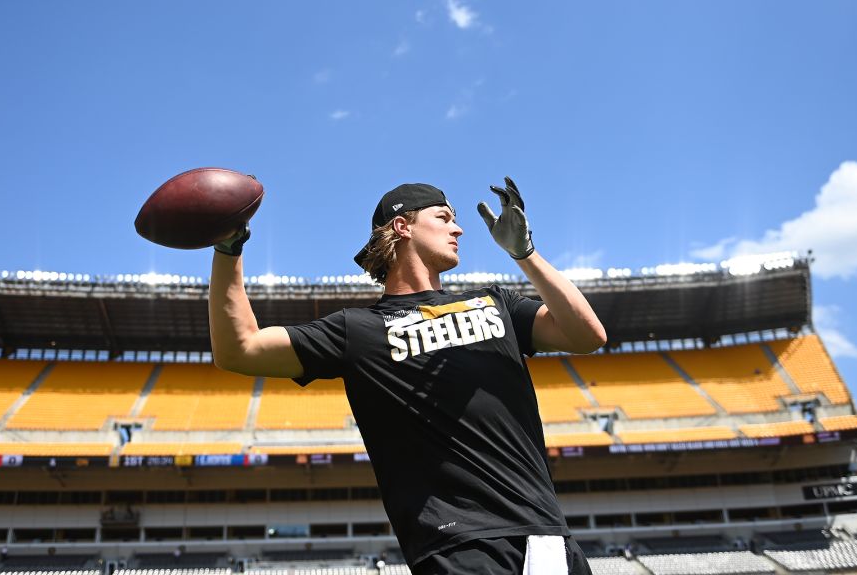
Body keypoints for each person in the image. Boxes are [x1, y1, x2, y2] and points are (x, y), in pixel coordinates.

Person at [209, 177, 606, 574]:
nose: (459, 228)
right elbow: (239, 349)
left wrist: (525, 253)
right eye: (444, 217)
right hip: (457, 548)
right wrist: (229, 247)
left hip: (548, 536)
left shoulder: (496, 302)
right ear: (403, 227)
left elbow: (587, 335)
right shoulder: (358, 330)